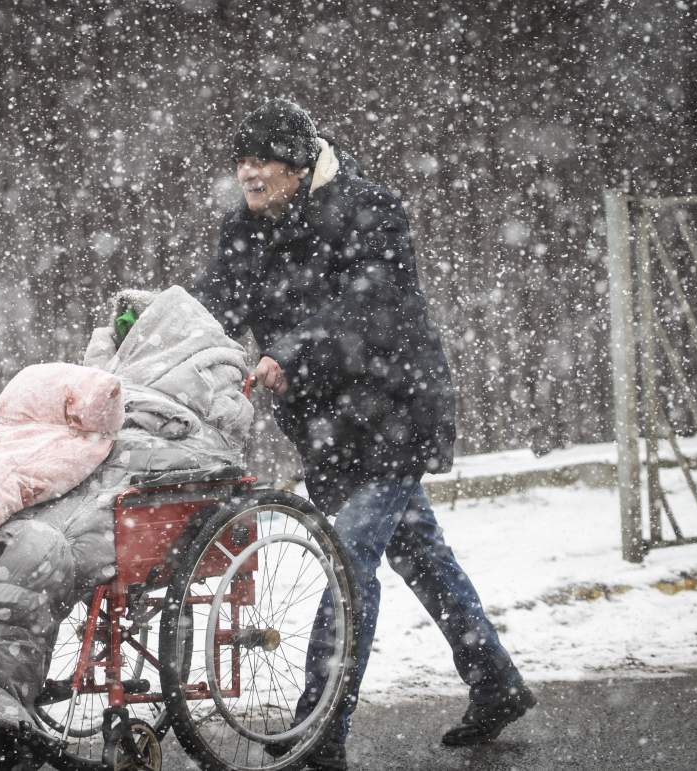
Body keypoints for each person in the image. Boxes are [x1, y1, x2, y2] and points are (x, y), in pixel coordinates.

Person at [192, 98, 535, 770]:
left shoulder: (369, 210)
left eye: (261, 159)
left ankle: (319, 726)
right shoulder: (246, 230)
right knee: (419, 553)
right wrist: (156, 331)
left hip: (393, 412)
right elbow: (214, 308)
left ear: (296, 161)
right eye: (241, 161)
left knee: (349, 564)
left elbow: (367, 309)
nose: (249, 173)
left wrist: (290, 351)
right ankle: (495, 682)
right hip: (326, 430)